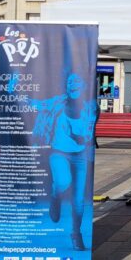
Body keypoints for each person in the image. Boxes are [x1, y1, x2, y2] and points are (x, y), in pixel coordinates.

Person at [30, 73, 98, 251]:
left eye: (77, 81)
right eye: (70, 81)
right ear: (66, 86)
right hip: (58, 152)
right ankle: (56, 196)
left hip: (81, 155)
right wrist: (13, 91)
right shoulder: (57, 102)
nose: (73, 84)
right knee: (63, 181)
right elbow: (35, 105)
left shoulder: (91, 107)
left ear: (83, 85)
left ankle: (76, 234)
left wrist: (73, 134)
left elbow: (88, 137)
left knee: (78, 200)